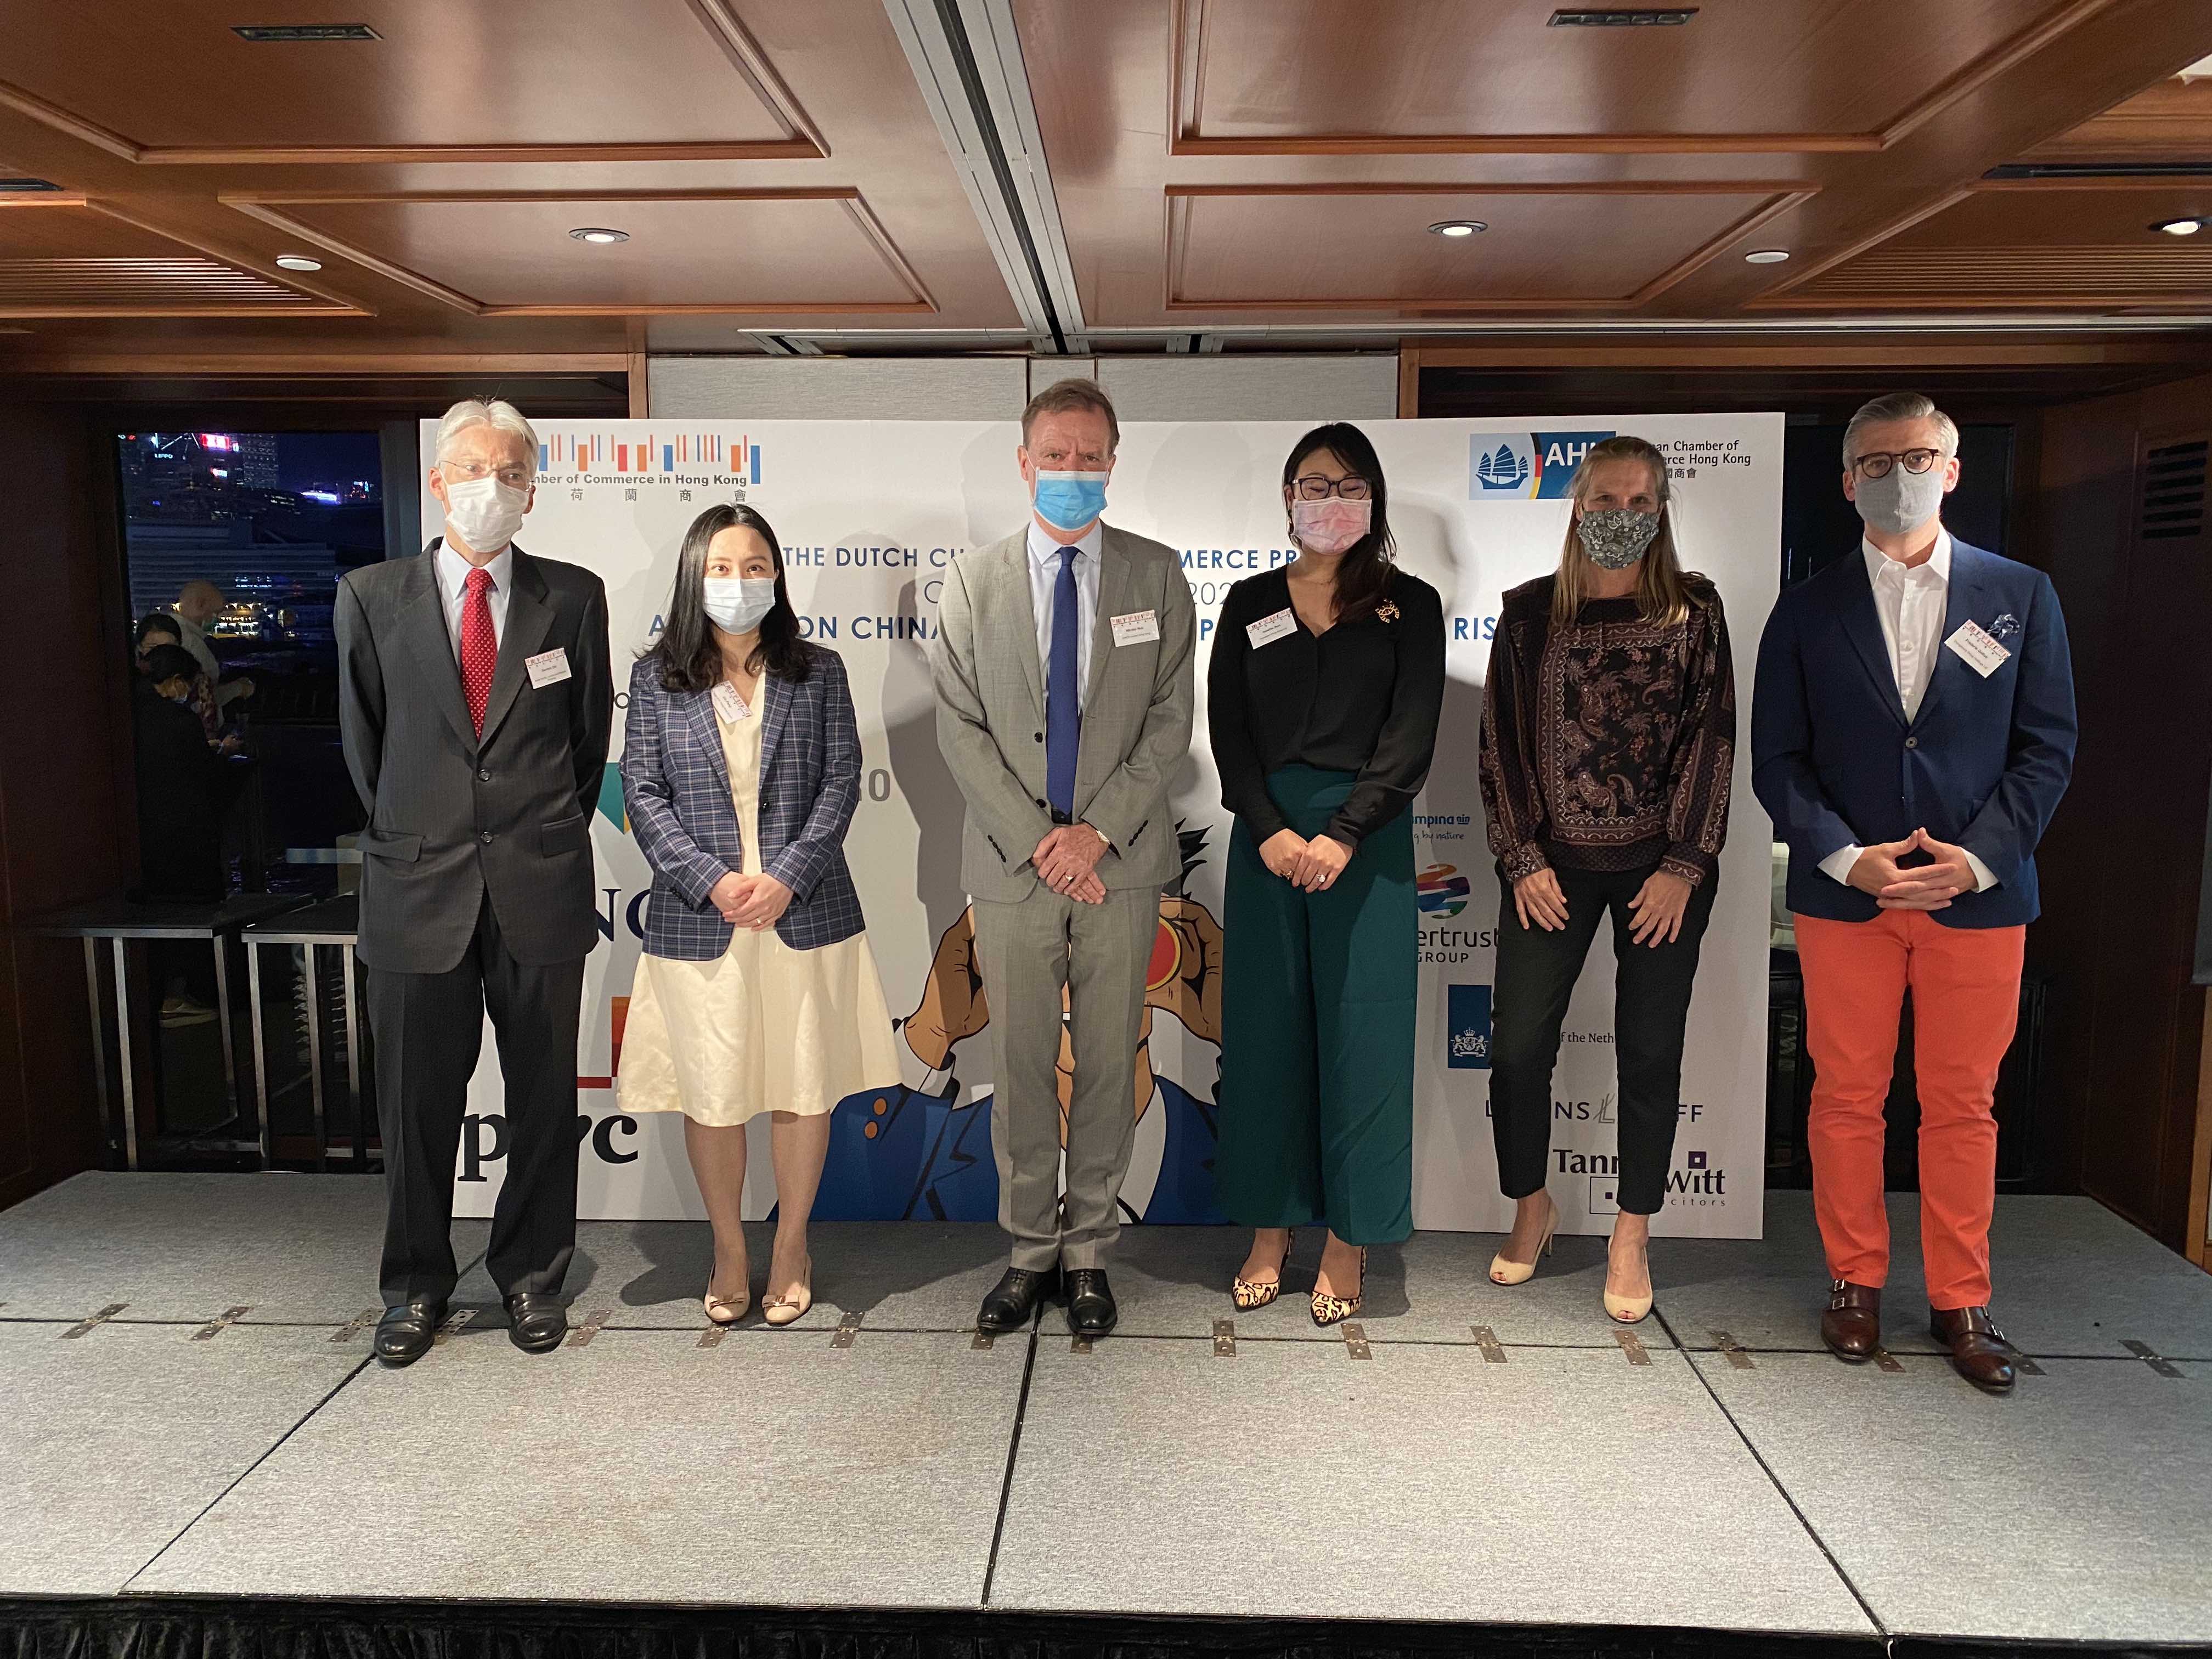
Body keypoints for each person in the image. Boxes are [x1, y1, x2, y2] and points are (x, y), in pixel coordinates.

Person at [1752, 393, 2075, 1393]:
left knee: (1962, 1103)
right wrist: (1847, 857)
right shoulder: (1805, 608)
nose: (1902, 475)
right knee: (1846, 1095)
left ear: (1953, 468)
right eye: (1880, 462)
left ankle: (1960, 1297)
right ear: (1849, 481)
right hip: (1849, 897)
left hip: (1977, 899)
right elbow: (1777, 758)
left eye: (1920, 456)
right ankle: (1854, 1279)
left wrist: (1974, 861)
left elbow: (2047, 748)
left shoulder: (2020, 595)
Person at [336, 397, 613, 1368]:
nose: (489, 486)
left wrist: (531, 829)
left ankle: (533, 1274)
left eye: (510, 472)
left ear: (531, 492)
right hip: (416, 889)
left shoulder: (572, 597)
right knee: (415, 1104)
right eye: (471, 469)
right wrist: (427, 832)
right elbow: (366, 752)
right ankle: (416, 1284)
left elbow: (586, 745)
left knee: (542, 1095)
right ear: (437, 481)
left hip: (538, 881)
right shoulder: (371, 597)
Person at [930, 377, 1196, 1338]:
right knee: (1020, 1061)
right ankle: (1027, 1250)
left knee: (1111, 1060)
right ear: (1024, 462)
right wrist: (1041, 842)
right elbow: (960, 728)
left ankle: (1087, 1249)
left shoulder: (1157, 576)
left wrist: (1096, 832)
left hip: (1118, 863)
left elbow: (1170, 719)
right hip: (1013, 867)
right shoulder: (972, 582)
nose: (1072, 469)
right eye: (1055, 454)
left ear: (1112, 463)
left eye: (1089, 455)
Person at [618, 504, 900, 1326]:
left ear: (776, 575)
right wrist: (712, 881)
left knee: (802, 1085)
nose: (738, 582)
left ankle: (791, 1246)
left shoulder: (819, 671)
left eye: (754, 567)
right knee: (713, 1092)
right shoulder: (656, 679)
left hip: (801, 915)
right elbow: (643, 793)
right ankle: (729, 1249)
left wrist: (786, 878)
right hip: (701, 919)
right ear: (692, 575)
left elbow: (841, 781)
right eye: (720, 568)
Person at [1478, 435, 1736, 1324]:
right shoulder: (1526, 616)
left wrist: (1684, 863)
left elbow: (1712, 736)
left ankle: (1632, 1231)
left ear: (1660, 511)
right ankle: (1531, 1204)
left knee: (1650, 1050)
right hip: (1549, 870)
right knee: (1516, 1049)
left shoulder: (1694, 612)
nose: (1619, 517)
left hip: (1661, 872)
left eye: (1637, 503)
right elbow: (1500, 743)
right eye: (1603, 501)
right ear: (1576, 506)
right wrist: (1521, 856)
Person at [1207, 424, 1444, 1324]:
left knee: (1364, 1038)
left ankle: (1350, 1237)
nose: (1331, 500)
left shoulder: (1409, 605)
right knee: (1265, 1036)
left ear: (1373, 499)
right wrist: (1269, 827)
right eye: (1314, 484)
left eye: (1349, 486)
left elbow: (1411, 733)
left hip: (1367, 841)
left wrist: (1344, 834)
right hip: (1265, 839)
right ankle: (1270, 1230)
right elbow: (1227, 727)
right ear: (1288, 497)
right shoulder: (1249, 602)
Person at [170, 581, 253, 711]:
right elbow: (204, 696)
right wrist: (239, 688)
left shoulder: (171, 631)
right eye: (216, 612)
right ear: (201, 605)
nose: (217, 618)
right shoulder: (192, 642)